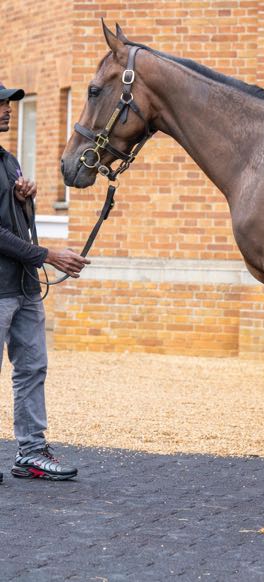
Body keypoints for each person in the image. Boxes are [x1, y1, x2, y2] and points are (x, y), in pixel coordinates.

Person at [0, 83, 90, 483]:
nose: (7, 109)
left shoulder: (9, 161)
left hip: (24, 288)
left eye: (8, 104)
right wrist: (48, 255)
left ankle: (32, 453)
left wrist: (25, 198)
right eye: (1, 104)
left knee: (32, 369)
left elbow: (13, 222)